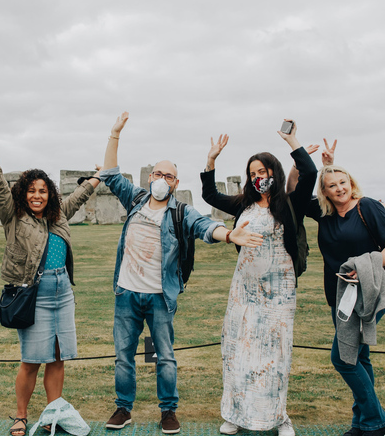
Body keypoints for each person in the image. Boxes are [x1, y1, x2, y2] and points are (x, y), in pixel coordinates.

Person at [100, 112, 264, 435]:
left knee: (165, 357)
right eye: (158, 173)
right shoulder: (134, 199)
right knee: (123, 356)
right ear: (150, 178)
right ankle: (123, 407)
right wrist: (115, 134)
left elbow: (206, 227)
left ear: (176, 183)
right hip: (126, 294)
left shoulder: (181, 212)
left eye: (169, 176)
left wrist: (229, 235)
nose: (162, 179)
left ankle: (168, 411)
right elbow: (109, 173)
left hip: (161, 297)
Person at [0, 136, 100, 436]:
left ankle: (53, 415)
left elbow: (78, 197)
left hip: (63, 291)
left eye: (43, 191)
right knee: (32, 359)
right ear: (23, 193)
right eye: (32, 191)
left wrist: (96, 179)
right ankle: (20, 416)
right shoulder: (13, 215)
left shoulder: (57, 215)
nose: (38, 196)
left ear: (50, 195)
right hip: (34, 293)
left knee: (58, 357)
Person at [200, 121, 317, 436]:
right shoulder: (243, 204)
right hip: (245, 289)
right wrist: (211, 160)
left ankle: (280, 418)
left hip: (279, 290)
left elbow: (310, 173)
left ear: (274, 173)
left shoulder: (291, 202)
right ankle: (235, 414)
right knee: (238, 350)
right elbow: (209, 193)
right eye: (253, 173)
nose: (258, 177)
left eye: (263, 171)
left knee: (275, 354)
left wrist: (292, 140)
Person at [306, 162, 385, 436]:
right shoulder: (324, 213)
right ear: (324, 192)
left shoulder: (368, 206)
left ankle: (378, 422)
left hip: (368, 291)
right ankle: (362, 423)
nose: (339, 188)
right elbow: (295, 191)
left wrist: (364, 271)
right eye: (332, 185)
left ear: (351, 183)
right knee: (359, 357)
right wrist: (295, 145)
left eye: (343, 182)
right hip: (338, 296)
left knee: (343, 358)